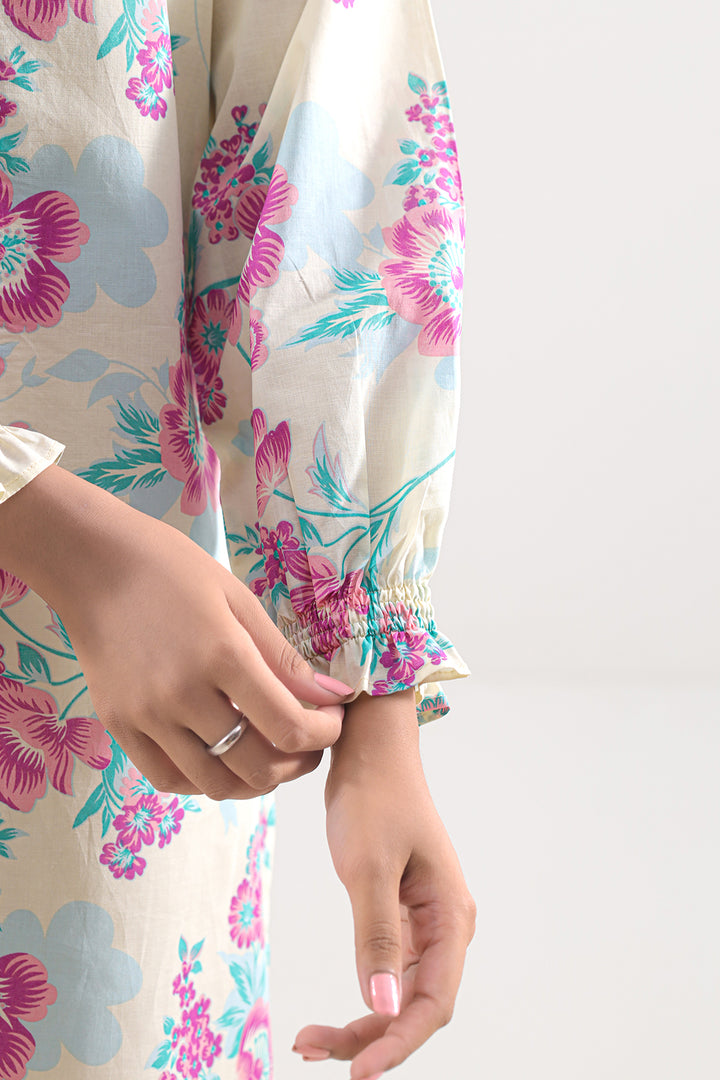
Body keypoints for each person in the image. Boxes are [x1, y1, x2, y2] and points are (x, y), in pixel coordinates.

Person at [0, 0, 475, 1077]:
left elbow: (327, 110)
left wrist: (374, 710)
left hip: (121, 707)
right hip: (125, 627)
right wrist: (62, 538)